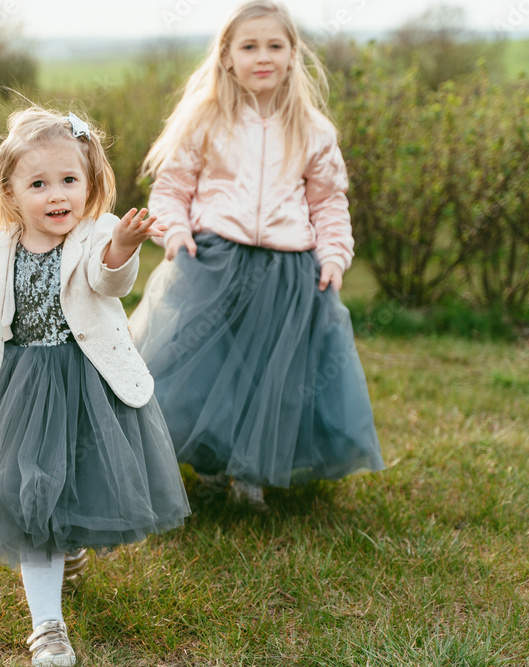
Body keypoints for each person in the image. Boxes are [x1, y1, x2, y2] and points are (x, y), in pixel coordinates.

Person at [0, 106, 190, 667]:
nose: (57, 195)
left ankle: (69, 543)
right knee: (29, 496)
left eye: (69, 181)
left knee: (73, 477)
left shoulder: (97, 232)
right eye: (39, 183)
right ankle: (47, 627)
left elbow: (108, 279)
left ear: (90, 183)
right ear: (10, 192)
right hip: (21, 387)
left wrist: (124, 245)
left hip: (86, 381)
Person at [129, 0, 384, 509]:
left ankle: (254, 471)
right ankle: (208, 462)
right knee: (208, 368)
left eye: (275, 45)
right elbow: (173, 188)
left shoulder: (311, 129)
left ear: (293, 55)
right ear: (226, 57)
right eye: (249, 46)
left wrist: (333, 256)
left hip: (288, 272)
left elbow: (328, 202)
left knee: (273, 374)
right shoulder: (206, 119)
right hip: (215, 262)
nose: (262, 56)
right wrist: (175, 232)